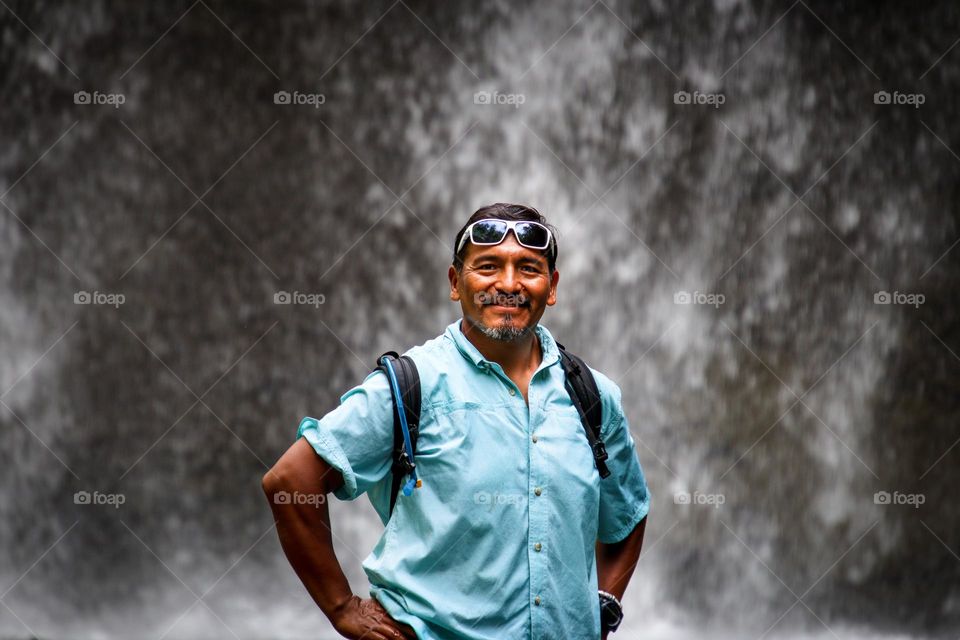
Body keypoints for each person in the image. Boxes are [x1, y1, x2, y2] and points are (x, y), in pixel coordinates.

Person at [263, 203, 651, 640]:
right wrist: (342, 607)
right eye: (488, 267)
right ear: (455, 282)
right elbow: (290, 482)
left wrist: (606, 605)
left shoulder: (594, 397)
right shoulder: (411, 386)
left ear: (552, 286)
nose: (508, 284)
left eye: (528, 268)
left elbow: (628, 512)